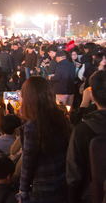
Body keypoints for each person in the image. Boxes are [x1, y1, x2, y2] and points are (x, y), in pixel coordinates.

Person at [18, 76, 69, 203]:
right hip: (62, 182)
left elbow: (28, 163)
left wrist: (23, 191)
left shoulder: (33, 126)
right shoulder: (59, 117)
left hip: (43, 187)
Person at [67, 70, 106, 203]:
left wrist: (84, 104)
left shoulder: (83, 130)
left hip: (92, 194)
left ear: (93, 97)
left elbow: (74, 175)